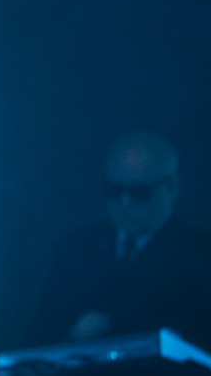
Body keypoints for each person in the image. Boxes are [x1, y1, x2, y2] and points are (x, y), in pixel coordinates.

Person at [27, 132, 211, 349]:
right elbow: (41, 334)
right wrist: (72, 339)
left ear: (172, 186)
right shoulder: (76, 247)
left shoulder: (199, 254)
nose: (125, 202)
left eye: (140, 192)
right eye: (114, 191)